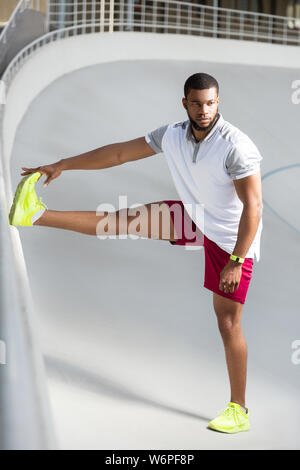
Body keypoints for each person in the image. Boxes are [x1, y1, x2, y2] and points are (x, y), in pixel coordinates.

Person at [9, 72, 263, 434]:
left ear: (218, 102)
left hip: (230, 239)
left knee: (227, 323)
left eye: (210, 103)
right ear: (185, 103)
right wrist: (61, 164)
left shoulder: (236, 145)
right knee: (119, 223)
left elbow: (253, 208)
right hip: (194, 218)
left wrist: (237, 260)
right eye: (197, 103)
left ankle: (239, 410)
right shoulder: (172, 135)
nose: (204, 110)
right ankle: (34, 215)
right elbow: (117, 154)